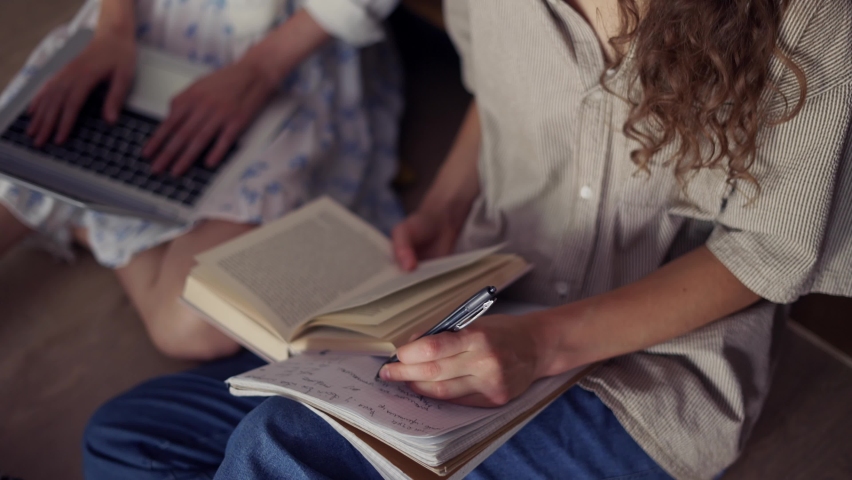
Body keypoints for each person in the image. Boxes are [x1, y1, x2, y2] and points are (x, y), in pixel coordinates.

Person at [83, 0, 852, 478]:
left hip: (646, 379)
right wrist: (448, 203)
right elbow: (500, 87)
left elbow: (766, 251)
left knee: (274, 451)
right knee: (130, 439)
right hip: (479, 299)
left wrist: (542, 345)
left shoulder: (810, 18)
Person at [0, 0, 402, 360]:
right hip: (154, 17)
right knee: (33, 148)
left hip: (295, 42)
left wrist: (260, 69)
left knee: (195, 325)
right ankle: (111, 213)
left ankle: (93, 220)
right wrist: (113, 29)